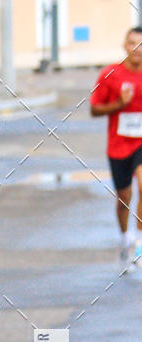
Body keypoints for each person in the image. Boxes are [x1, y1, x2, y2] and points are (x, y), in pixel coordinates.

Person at [91, 26, 142, 268]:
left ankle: (140, 242)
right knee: (124, 196)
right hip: (119, 146)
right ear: (125, 45)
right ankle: (125, 239)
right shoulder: (110, 74)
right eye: (133, 43)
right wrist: (119, 104)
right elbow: (94, 109)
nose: (137, 49)